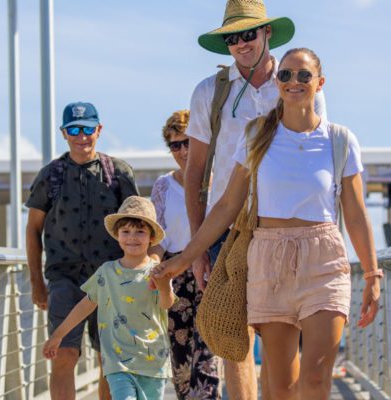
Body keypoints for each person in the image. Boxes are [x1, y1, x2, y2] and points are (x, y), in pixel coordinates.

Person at [155, 47, 381, 400]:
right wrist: (184, 259)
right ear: (278, 83)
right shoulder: (257, 136)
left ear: (320, 83)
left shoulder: (340, 140)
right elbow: (228, 204)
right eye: (287, 75)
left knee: (317, 383)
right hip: (268, 258)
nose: (295, 82)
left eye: (304, 75)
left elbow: (354, 213)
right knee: (282, 388)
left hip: (323, 260)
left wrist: (371, 274)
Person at [184, 1, 326, 398]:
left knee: (284, 334)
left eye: (249, 33)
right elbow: (195, 173)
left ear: (267, 33)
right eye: (232, 37)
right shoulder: (210, 92)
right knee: (235, 336)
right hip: (228, 229)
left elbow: (319, 162)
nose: (241, 43)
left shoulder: (299, 81)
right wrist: (197, 249)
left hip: (286, 228)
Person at [26, 101, 139, 400]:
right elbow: (33, 229)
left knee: (110, 361)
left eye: (88, 128)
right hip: (65, 280)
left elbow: (139, 224)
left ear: (99, 130)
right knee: (63, 355)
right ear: (64, 133)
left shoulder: (119, 173)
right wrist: (37, 282)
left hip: (111, 279)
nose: (81, 136)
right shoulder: (50, 176)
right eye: (74, 129)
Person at [43, 196, 176, 400]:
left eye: (140, 231)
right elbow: (85, 305)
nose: (132, 237)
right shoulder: (106, 272)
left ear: (151, 237)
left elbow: (166, 304)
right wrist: (58, 335)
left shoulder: (157, 272)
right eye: (126, 231)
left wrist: (165, 286)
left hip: (152, 361)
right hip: (117, 360)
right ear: (117, 236)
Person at [149, 110, 221, 399]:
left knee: (206, 359)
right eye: (174, 145)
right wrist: (152, 267)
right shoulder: (163, 186)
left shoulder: (221, 182)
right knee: (181, 363)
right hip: (175, 278)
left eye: (187, 142)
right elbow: (158, 238)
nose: (181, 151)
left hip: (212, 272)